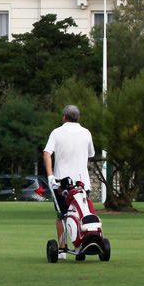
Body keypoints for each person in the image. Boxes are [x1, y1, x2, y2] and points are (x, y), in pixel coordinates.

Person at [42, 104, 96, 255]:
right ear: (78, 117)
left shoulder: (57, 132)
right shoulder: (86, 133)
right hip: (83, 183)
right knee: (82, 213)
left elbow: (47, 153)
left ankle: (62, 249)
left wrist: (50, 175)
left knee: (62, 215)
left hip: (62, 183)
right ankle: (80, 246)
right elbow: (91, 154)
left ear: (64, 117)